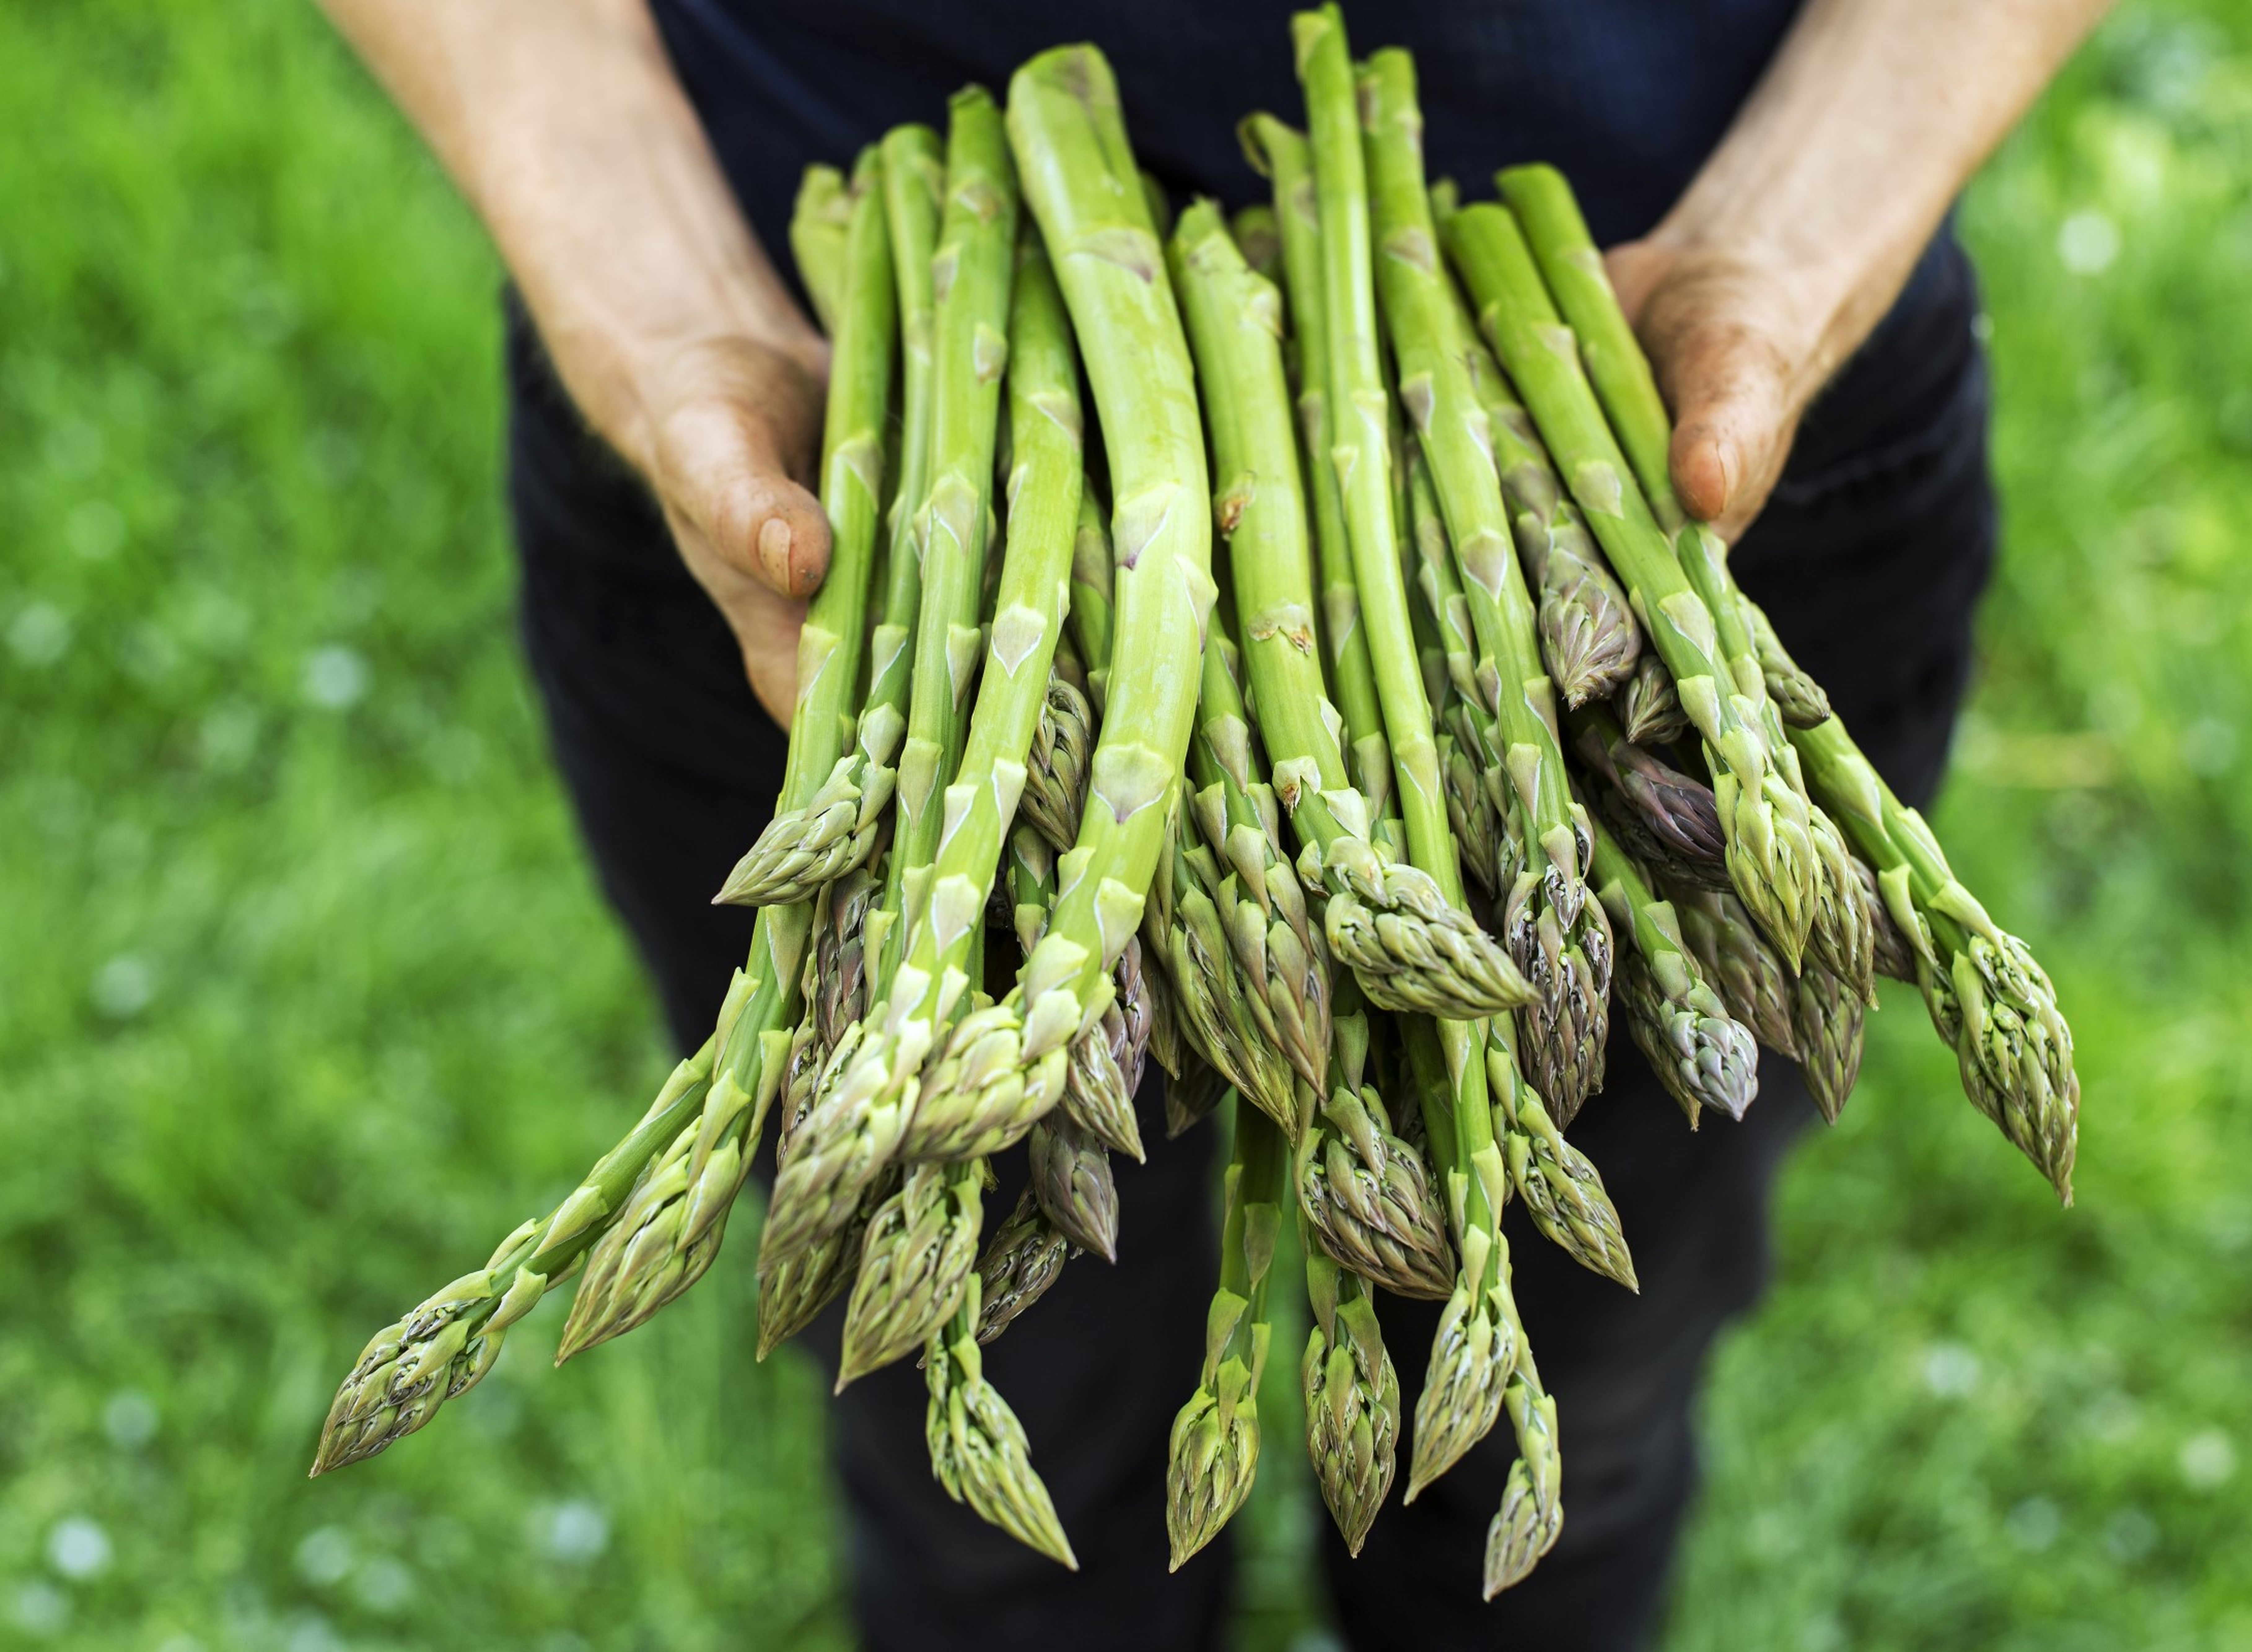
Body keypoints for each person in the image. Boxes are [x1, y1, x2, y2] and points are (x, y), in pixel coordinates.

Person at [315, 1, 2113, 1646]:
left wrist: (1805, 227)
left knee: (1563, 1454)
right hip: (834, 449)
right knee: (992, 1528)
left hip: (1645, 449)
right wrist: (634, 259)